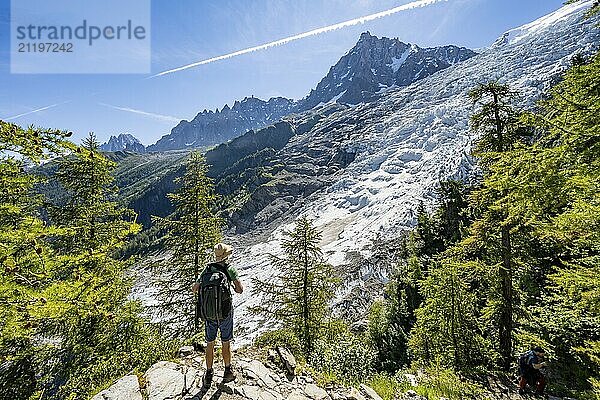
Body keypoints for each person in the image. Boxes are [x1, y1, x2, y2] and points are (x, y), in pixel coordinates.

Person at [192, 243, 243, 389]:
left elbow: (194, 289)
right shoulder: (229, 269)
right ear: (226, 255)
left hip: (209, 315)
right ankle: (227, 371)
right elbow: (240, 289)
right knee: (225, 342)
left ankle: (208, 374)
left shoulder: (207, 269)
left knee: (210, 343)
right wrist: (232, 286)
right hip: (225, 313)